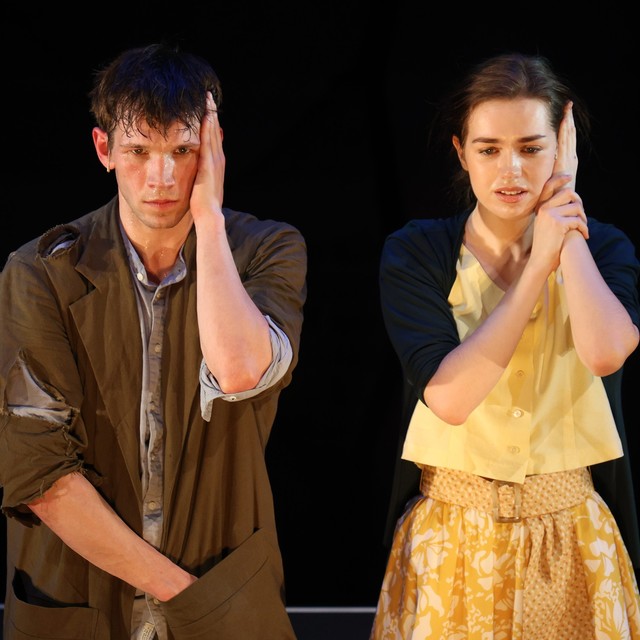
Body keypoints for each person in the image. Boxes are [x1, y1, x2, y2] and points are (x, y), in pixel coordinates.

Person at [0, 42, 307, 639]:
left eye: (182, 151)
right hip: (88, 602)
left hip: (224, 577)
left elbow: (240, 372)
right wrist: (185, 598)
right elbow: (39, 473)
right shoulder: (40, 272)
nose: (161, 178)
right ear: (104, 150)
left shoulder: (266, 250)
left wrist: (210, 219)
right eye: (139, 151)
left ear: (212, 150)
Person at [371, 52, 640, 639]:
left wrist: (564, 228)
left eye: (532, 148)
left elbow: (605, 353)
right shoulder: (417, 252)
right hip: (451, 536)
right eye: (489, 149)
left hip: (573, 532)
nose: (510, 169)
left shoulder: (604, 248)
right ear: (461, 153)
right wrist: (538, 263)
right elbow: (450, 399)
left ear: (561, 152)